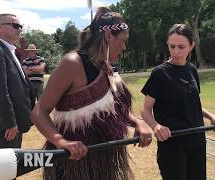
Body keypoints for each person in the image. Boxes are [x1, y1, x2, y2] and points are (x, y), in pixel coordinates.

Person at [31, 7, 152, 180]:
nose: (125, 47)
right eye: (123, 40)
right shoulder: (73, 63)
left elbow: (118, 109)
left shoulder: (106, 67)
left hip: (102, 163)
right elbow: (38, 112)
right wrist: (61, 141)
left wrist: (138, 123)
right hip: (72, 165)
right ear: (109, 36)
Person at [141, 24, 215, 180]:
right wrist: (156, 126)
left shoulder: (192, 70)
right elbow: (145, 110)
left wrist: (212, 117)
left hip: (197, 141)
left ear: (192, 45)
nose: (176, 52)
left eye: (181, 47)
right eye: (172, 46)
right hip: (172, 145)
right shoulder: (160, 73)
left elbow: (192, 104)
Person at [0, 14, 34, 149]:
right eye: (15, 25)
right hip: (5, 128)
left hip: (13, 123)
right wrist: (9, 123)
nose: (20, 29)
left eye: (20, 26)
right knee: (5, 168)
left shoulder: (9, 50)